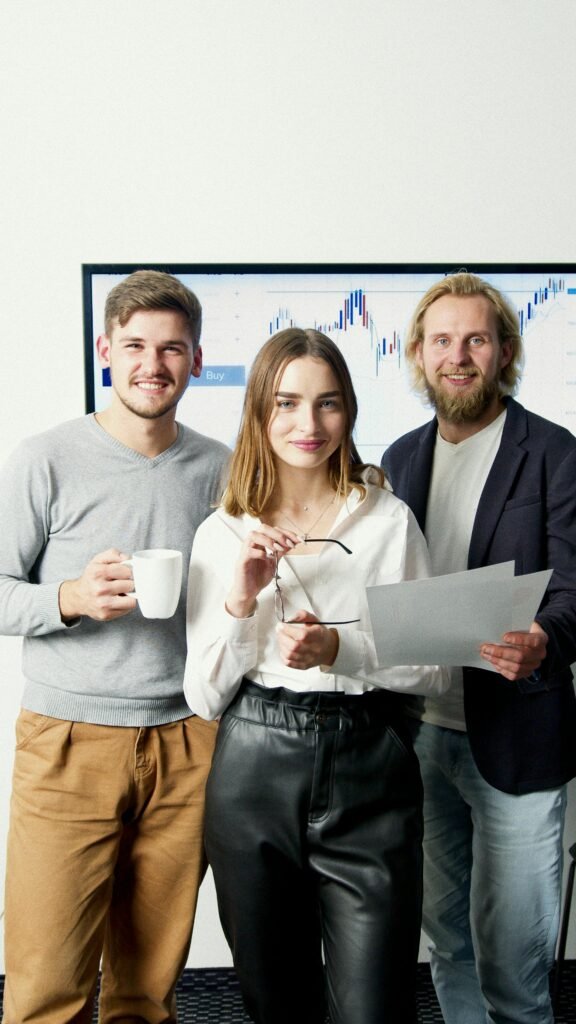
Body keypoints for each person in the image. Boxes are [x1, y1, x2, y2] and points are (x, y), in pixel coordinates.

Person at [183, 327, 449, 1024]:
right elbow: (204, 695)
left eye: (328, 404)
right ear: (259, 414)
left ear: (349, 411)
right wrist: (242, 596)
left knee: (375, 1006)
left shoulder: (388, 521)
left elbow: (432, 668)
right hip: (254, 768)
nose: (309, 425)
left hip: (369, 764)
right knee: (277, 1003)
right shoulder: (223, 532)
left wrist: (339, 651)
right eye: (287, 404)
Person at [0, 270, 230, 1024]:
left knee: (147, 993)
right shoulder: (47, 458)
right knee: (45, 988)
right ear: (106, 350)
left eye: (172, 349)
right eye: (134, 345)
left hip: (188, 744)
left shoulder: (222, 469)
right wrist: (67, 598)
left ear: (197, 360)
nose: (152, 365)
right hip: (68, 743)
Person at [381, 271, 576, 1024]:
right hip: (423, 737)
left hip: (518, 735)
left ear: (504, 352)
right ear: (419, 356)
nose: (457, 355)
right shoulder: (398, 459)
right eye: (442, 341)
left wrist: (545, 639)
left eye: (475, 340)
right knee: (448, 942)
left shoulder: (554, 454)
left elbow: (575, 585)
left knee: (515, 957)